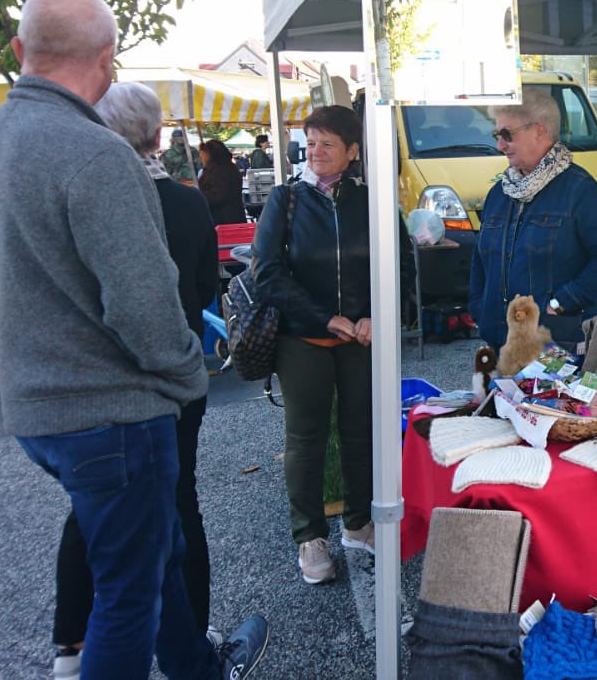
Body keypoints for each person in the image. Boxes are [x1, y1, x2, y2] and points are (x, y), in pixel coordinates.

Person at [0, 0, 267, 680]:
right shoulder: (96, 154)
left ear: (19, 50)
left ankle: (199, 667)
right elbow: (144, 302)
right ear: (108, 61)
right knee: (127, 599)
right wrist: (188, 374)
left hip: (39, 405)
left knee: (150, 558)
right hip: (112, 412)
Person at [44, 80, 224, 677]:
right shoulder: (188, 202)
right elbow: (203, 291)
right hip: (177, 375)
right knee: (179, 502)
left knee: (93, 506)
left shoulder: (80, 190)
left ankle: (70, 643)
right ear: (157, 135)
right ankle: (191, 636)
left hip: (101, 381)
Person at [251, 105, 414, 585]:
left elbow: (400, 267)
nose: (317, 152)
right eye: (311, 142)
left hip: (362, 337)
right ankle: (309, 537)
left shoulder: (376, 202)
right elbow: (267, 274)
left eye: (328, 143)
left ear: (353, 151)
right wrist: (327, 318)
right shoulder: (287, 200)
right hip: (304, 337)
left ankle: (359, 523)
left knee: (362, 430)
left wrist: (375, 317)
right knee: (306, 438)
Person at [470, 87, 597, 350]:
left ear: (539, 130)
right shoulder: (499, 193)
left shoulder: (581, 191)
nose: (500, 145)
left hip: (556, 345)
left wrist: (561, 302)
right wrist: (479, 307)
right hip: (501, 342)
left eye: (507, 134)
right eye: (497, 135)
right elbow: (480, 259)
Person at [196, 139, 247, 225]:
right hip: (232, 217)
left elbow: (218, 196)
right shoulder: (229, 167)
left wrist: (198, 196)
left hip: (223, 220)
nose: (201, 157)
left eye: (202, 154)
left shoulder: (218, 171)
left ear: (210, 154)